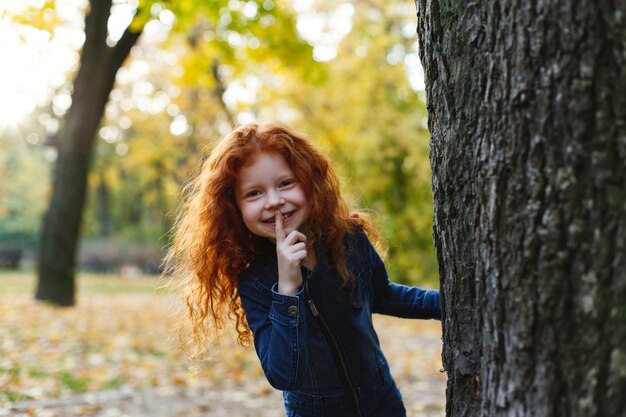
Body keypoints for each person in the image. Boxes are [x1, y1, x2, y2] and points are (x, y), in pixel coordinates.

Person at [166, 121, 441, 417]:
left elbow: (383, 295)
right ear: (234, 206)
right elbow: (283, 374)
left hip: (381, 402)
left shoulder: (348, 239)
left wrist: (448, 304)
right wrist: (287, 290)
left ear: (310, 181)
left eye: (285, 183)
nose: (274, 201)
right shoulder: (256, 282)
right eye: (254, 193)